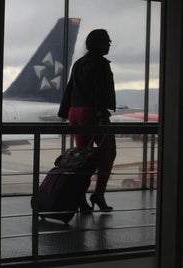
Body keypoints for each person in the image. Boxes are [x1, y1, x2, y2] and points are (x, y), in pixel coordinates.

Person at [64, 29, 117, 212]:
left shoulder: (79, 63)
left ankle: (80, 197)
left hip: (75, 112)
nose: (109, 44)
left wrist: (65, 113)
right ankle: (98, 193)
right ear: (99, 43)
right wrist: (102, 115)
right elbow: (100, 92)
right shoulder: (100, 64)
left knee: (83, 157)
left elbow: (70, 89)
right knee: (108, 152)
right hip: (92, 113)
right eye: (107, 41)